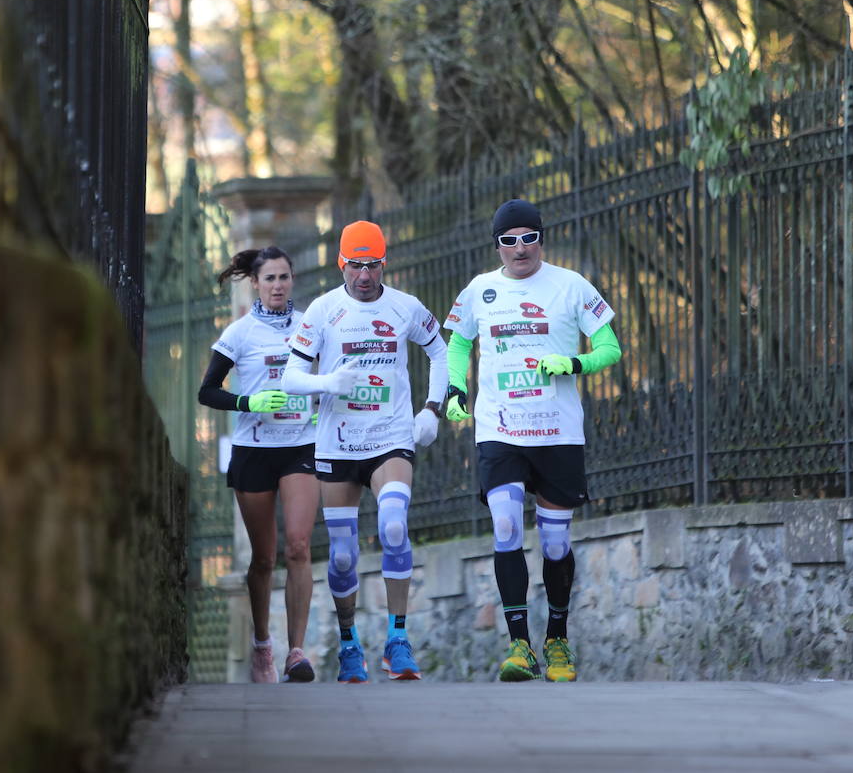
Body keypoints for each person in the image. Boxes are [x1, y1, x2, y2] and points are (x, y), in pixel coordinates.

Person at [443, 199, 622, 682]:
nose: (519, 248)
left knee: (555, 542)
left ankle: (557, 640)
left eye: (528, 237)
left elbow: (611, 347)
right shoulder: (480, 291)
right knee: (505, 527)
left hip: (557, 431)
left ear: (542, 238)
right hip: (499, 429)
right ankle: (519, 645)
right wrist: (455, 388)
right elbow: (458, 344)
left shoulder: (570, 285)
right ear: (497, 245)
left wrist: (576, 363)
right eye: (508, 240)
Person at [281, 221, 447, 682]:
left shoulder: (405, 308)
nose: (364, 275)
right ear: (341, 264)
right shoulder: (322, 311)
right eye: (355, 265)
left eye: (372, 265)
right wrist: (327, 382)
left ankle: (398, 639)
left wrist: (432, 409)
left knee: (394, 525)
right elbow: (290, 378)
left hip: (390, 434)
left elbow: (441, 351)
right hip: (338, 441)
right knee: (341, 555)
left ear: (383, 263)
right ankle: (350, 644)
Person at [198, 246, 320, 683]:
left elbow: (329, 371)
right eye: (269, 279)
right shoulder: (240, 333)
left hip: (301, 445)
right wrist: (247, 400)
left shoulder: (310, 324)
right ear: (255, 282)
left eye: (284, 277)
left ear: (292, 281)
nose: (277, 286)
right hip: (254, 449)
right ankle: (264, 647)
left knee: (299, 547)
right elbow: (207, 391)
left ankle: (297, 653)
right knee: (265, 558)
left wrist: (321, 401)